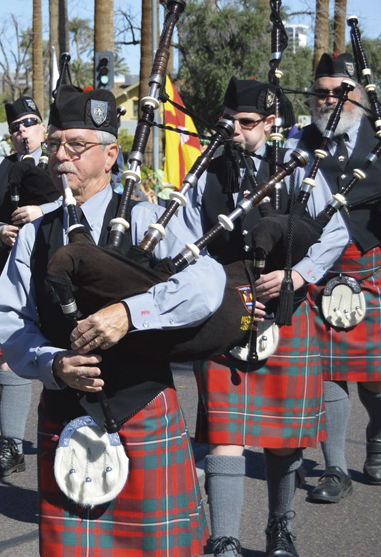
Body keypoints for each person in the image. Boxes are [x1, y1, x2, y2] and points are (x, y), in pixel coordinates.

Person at [0, 85, 222, 555]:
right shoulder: (36, 234)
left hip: (143, 405)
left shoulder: (147, 218)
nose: (61, 156)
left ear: (111, 155)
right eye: (55, 144)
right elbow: (10, 317)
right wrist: (53, 363)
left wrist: (131, 313)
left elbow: (208, 280)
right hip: (66, 416)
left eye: (77, 145)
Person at [178, 78, 348, 557]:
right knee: (225, 433)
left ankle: (279, 528)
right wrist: (220, 293)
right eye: (228, 120)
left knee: (284, 438)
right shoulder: (207, 171)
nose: (234, 129)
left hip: (285, 311)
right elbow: (188, 244)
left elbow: (335, 231)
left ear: (271, 123)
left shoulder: (297, 167)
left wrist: (298, 275)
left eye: (246, 122)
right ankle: (224, 539)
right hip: (225, 313)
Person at [298, 53, 381, 504]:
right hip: (319, 268)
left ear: (359, 95)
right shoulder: (299, 142)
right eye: (322, 92)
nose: (329, 99)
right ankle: (335, 468)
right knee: (328, 371)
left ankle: (378, 440)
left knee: (376, 374)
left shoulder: (379, 136)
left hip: (371, 261)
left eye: (339, 92)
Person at [0, 96, 58, 478]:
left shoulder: (60, 160)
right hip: (6, 263)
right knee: (8, 349)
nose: (23, 131)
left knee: (64, 346)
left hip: (55, 264)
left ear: (43, 127)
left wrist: (43, 212)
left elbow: (82, 201)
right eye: (16, 127)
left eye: (29, 123)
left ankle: (66, 436)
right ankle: (12, 447)